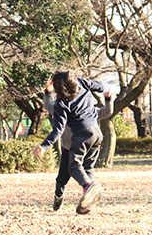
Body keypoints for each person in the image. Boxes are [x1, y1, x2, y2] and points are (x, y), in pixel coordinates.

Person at [32, 70, 110, 214]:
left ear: (57, 89)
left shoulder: (61, 104)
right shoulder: (82, 83)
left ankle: (89, 186)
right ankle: (87, 202)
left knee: (73, 166)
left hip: (80, 135)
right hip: (96, 133)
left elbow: (58, 130)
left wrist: (44, 145)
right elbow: (101, 86)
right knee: (88, 168)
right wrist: (108, 92)